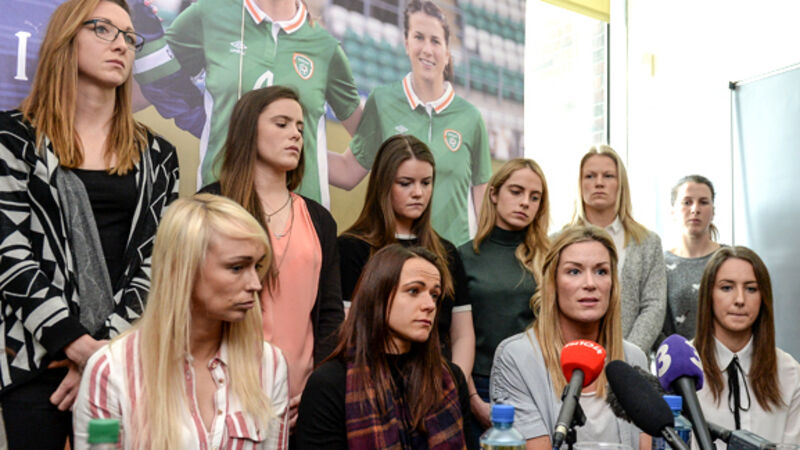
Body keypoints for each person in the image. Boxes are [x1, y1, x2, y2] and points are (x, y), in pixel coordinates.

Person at [0, 0, 179, 447]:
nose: (121, 44)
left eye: (130, 37)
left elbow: (158, 262)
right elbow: (10, 252)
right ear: (66, 38)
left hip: (124, 358)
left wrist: (102, 354)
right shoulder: (11, 139)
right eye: (103, 29)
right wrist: (74, 344)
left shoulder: (160, 157)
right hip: (35, 360)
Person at [73, 194, 289, 449]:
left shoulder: (268, 365)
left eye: (257, 267)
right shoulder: (111, 371)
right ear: (183, 269)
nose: (255, 284)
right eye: (237, 268)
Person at [199, 85, 344, 429]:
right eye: (282, 124)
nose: (296, 134)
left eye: (299, 127)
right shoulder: (211, 206)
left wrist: (317, 387)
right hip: (222, 397)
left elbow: (330, 315)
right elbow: (193, 306)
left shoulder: (319, 219)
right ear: (249, 129)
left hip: (300, 402)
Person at [131, 0, 363, 201]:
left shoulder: (325, 46)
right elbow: (146, 89)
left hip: (301, 220)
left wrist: (314, 158)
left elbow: (366, 144)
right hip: (221, 211)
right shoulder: (209, 14)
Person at [328, 0, 492, 246]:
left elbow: (482, 200)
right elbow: (349, 171)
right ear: (406, 43)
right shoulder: (382, 101)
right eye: (419, 37)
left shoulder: (471, 117)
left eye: (435, 41)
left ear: (447, 52)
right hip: (393, 254)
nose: (427, 49)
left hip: (450, 258)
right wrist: (300, 150)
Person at [295, 244, 471, 449]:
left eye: (434, 295)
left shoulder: (449, 379)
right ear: (378, 295)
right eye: (414, 291)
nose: (429, 305)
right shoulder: (331, 383)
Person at [490, 225, 650, 450]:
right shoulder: (517, 358)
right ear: (552, 283)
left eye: (601, 271)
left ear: (613, 284)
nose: (590, 284)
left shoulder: (634, 359)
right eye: (574, 271)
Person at [338, 134, 474, 376]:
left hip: (436, 381)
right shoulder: (352, 248)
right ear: (383, 184)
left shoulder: (446, 253)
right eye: (405, 183)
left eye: (426, 183)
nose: (418, 193)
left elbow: (462, 335)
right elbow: (347, 330)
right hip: (371, 380)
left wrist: (455, 384)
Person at [458, 158, 550, 434]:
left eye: (534, 197)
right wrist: (473, 399)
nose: (525, 203)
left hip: (537, 384)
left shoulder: (549, 258)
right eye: (516, 191)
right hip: (479, 385)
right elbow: (454, 338)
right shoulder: (462, 257)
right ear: (494, 194)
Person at [693, 246, 800, 446]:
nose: (740, 300)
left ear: (763, 298)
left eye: (751, 289)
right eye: (727, 288)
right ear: (709, 295)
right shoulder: (684, 368)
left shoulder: (790, 372)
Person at [569, 145, 666, 353]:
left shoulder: (648, 242)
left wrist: (627, 355)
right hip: (569, 356)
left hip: (629, 358)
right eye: (590, 176)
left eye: (608, 176)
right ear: (580, 184)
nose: (599, 183)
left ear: (620, 184)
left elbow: (654, 306)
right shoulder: (557, 242)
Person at [658, 175, 723, 346]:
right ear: (673, 211)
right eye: (687, 202)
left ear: (713, 211)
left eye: (703, 202)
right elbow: (655, 324)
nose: (695, 209)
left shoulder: (730, 261)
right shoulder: (659, 265)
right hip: (676, 359)